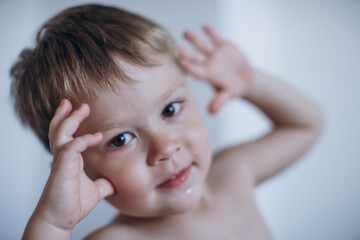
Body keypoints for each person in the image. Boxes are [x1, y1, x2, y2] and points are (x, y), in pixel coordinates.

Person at [10, 4, 323, 240]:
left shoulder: (231, 175)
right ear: (78, 168)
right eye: (120, 140)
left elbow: (305, 125)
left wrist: (251, 82)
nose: (166, 148)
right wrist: (53, 224)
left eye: (171, 109)